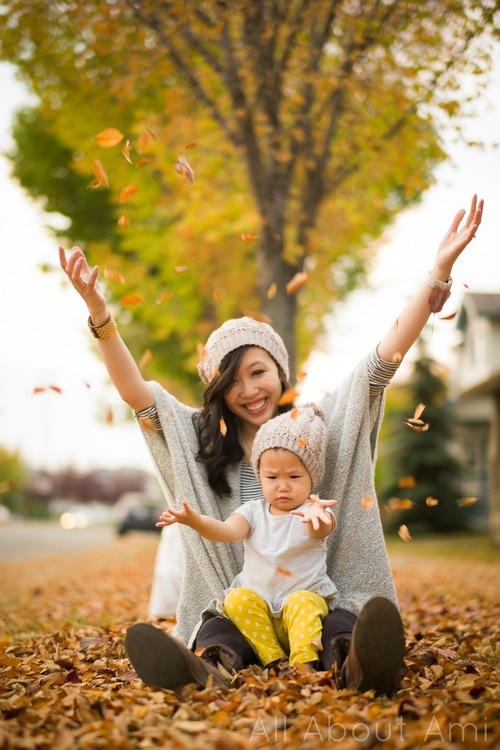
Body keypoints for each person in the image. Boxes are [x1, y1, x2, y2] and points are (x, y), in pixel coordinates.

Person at [59, 194, 483, 696]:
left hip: (313, 599)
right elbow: (138, 395)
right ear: (217, 390)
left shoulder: (317, 425)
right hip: (243, 603)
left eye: (258, 372)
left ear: (280, 371)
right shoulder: (200, 438)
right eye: (231, 381)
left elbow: (381, 361)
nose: (249, 390)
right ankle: (206, 670)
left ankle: (359, 668)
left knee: (339, 627)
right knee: (218, 632)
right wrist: (100, 314)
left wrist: (435, 274)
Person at [155, 404, 337, 670]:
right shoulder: (253, 511)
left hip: (302, 606)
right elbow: (226, 532)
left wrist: (317, 517)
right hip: (259, 613)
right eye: (272, 476)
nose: (282, 485)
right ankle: (273, 658)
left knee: (303, 602)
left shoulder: (313, 510)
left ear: (313, 477)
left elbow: (319, 529)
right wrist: (194, 520)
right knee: (236, 599)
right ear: (259, 476)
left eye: (294, 476)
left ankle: (303, 664)